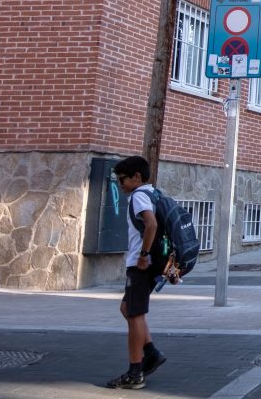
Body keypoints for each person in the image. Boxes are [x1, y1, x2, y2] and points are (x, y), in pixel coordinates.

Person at [107, 156, 168, 390]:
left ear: (136, 177)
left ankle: (135, 373)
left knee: (134, 316)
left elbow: (151, 225)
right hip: (148, 264)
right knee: (128, 309)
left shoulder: (139, 196)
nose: (120, 184)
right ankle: (151, 352)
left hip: (141, 265)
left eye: (122, 179)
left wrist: (143, 255)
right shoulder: (152, 193)